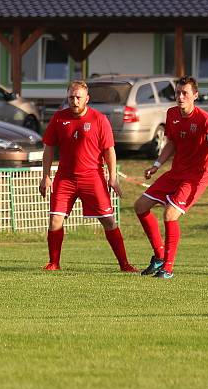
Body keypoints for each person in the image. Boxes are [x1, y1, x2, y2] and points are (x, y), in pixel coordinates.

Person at [40, 80, 137, 273]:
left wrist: (112, 176)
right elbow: (49, 149)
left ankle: (124, 264)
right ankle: (54, 263)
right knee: (55, 221)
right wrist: (46, 176)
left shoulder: (99, 119)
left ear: (87, 99)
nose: (74, 101)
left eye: (78, 97)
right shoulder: (59, 118)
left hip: (92, 177)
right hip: (65, 178)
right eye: (71, 97)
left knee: (108, 221)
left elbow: (109, 150)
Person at [134, 76, 208, 279]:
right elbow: (171, 143)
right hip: (175, 173)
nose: (180, 97)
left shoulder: (205, 120)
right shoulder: (172, 114)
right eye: (178, 93)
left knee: (170, 214)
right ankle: (158, 256)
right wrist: (156, 165)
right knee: (140, 206)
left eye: (185, 93)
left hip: (195, 178)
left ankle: (168, 267)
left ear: (195, 96)